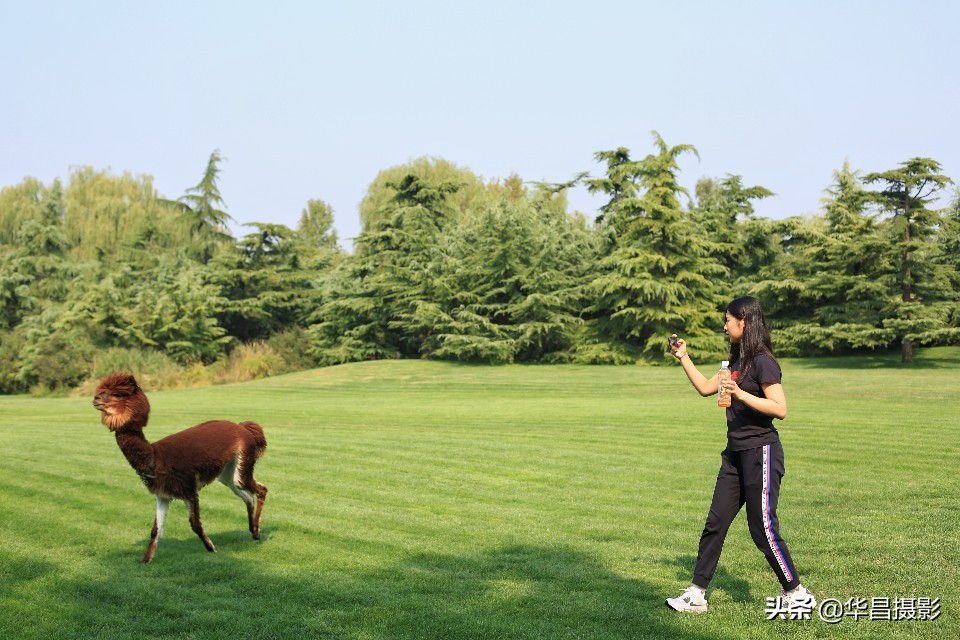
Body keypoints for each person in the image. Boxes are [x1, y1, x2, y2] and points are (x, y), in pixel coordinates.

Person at [664, 296, 814, 613]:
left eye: (728, 320)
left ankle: (797, 592)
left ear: (743, 321)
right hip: (734, 455)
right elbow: (708, 389)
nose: (724, 325)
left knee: (762, 528)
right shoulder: (735, 363)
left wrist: (742, 393)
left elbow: (780, 408)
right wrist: (684, 358)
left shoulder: (763, 362)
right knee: (715, 523)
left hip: (761, 453)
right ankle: (697, 594)